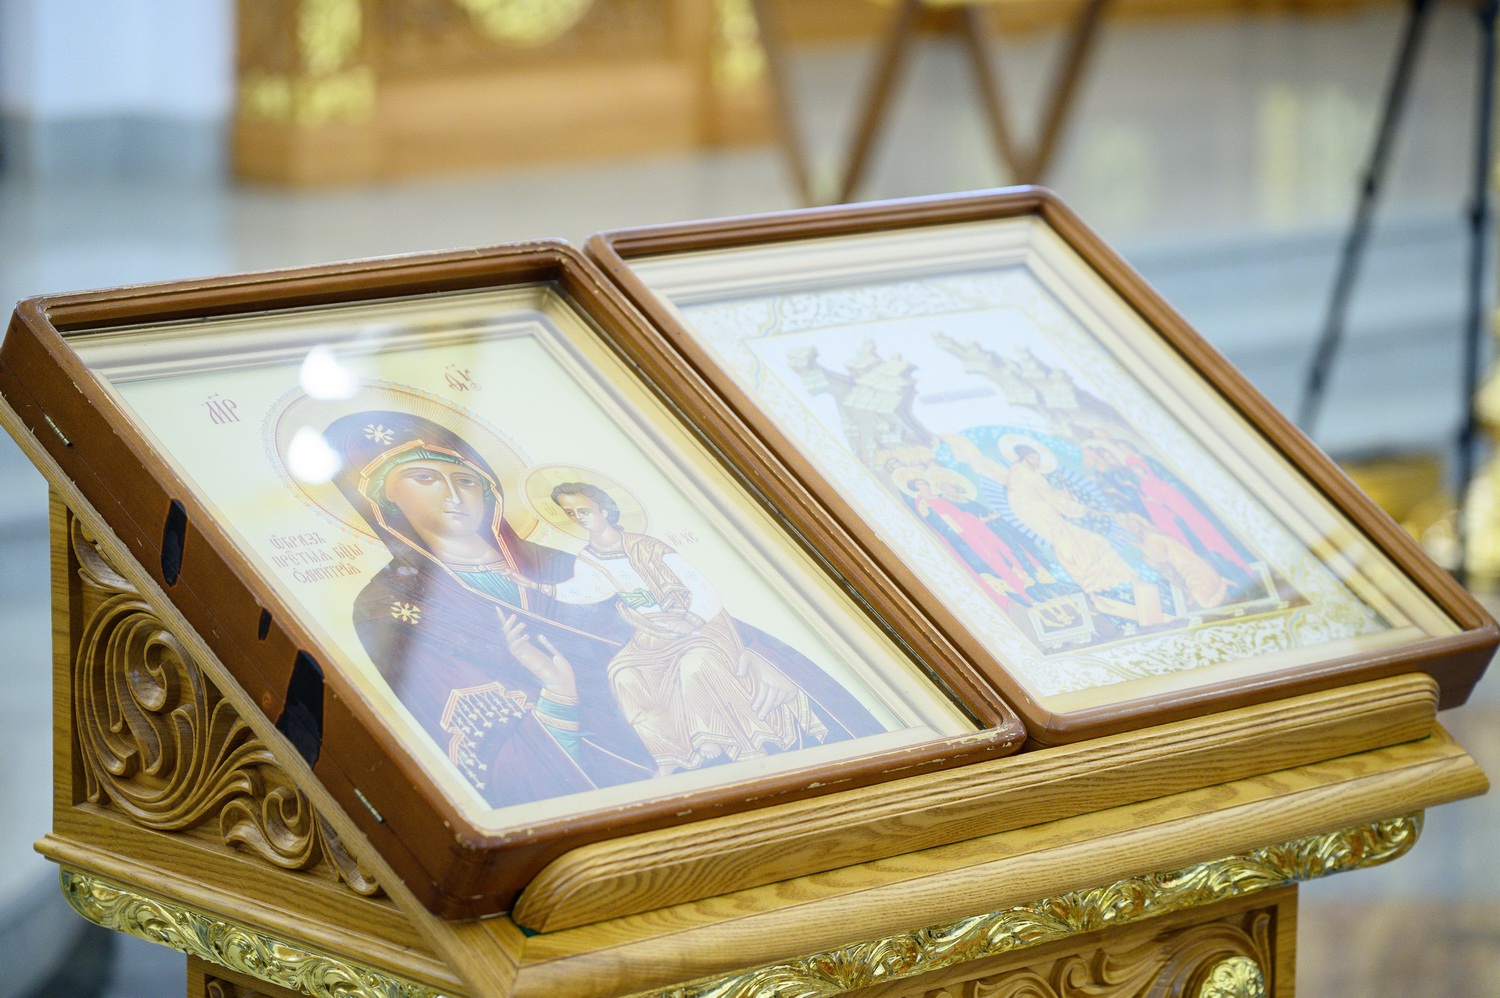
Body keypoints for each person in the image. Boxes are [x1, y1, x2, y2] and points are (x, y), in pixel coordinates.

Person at [323, 411, 657, 807]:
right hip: (580, 784)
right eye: (425, 478)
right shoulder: (392, 606)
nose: (453, 494)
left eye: (466, 480)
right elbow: (483, 751)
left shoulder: (561, 566)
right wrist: (558, 692)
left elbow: (651, 641)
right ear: (385, 498)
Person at [503, 481, 846, 775]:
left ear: (604, 510)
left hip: (700, 626)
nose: (578, 517)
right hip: (652, 634)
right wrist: (539, 587)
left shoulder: (649, 547)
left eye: (584, 510)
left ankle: (726, 740)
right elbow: (588, 590)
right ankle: (672, 754)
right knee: (624, 675)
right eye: (570, 513)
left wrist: (689, 621)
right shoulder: (589, 557)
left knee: (694, 665)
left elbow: (701, 589)